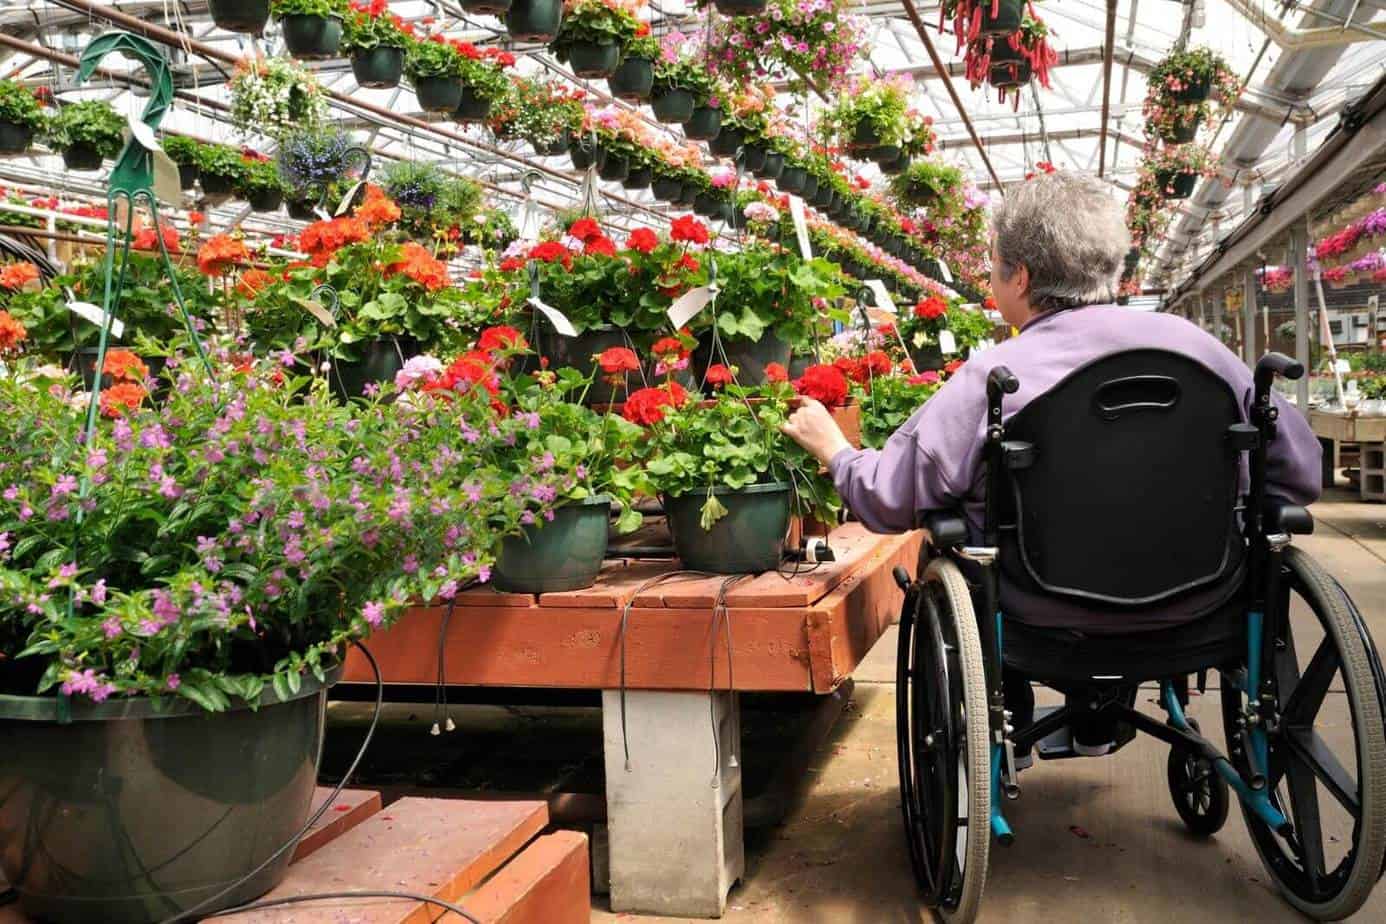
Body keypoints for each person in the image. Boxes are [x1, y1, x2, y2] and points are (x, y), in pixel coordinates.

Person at [782, 172, 1324, 749]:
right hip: (1205, 600)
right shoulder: (1201, 353)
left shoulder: (995, 376)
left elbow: (888, 499)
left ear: (1020, 276)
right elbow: (1302, 474)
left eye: (994, 267)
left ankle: (1010, 709)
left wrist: (835, 450)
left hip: (1038, 617)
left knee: (954, 538)